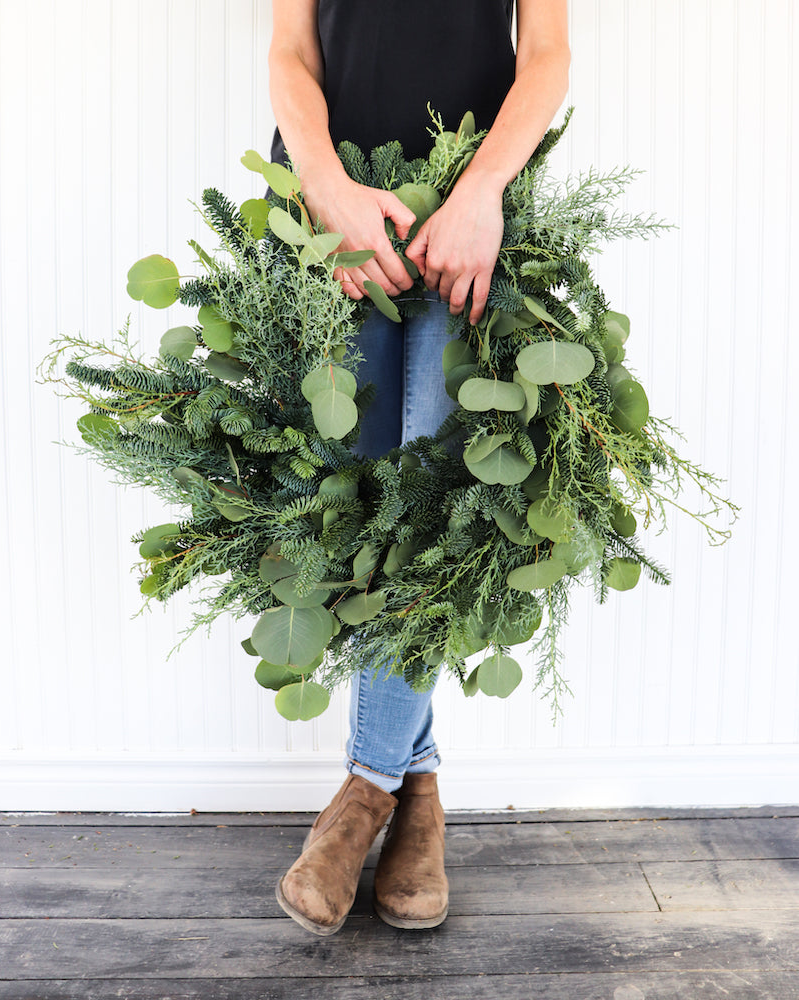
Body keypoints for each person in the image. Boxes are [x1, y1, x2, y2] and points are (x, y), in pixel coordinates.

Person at [267, 0, 570, 935]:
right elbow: (291, 49)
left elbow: (548, 54)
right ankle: (418, 795)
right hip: (338, 224)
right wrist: (325, 186)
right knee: (358, 513)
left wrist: (480, 193)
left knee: (434, 513)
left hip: (469, 219)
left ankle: (360, 801)